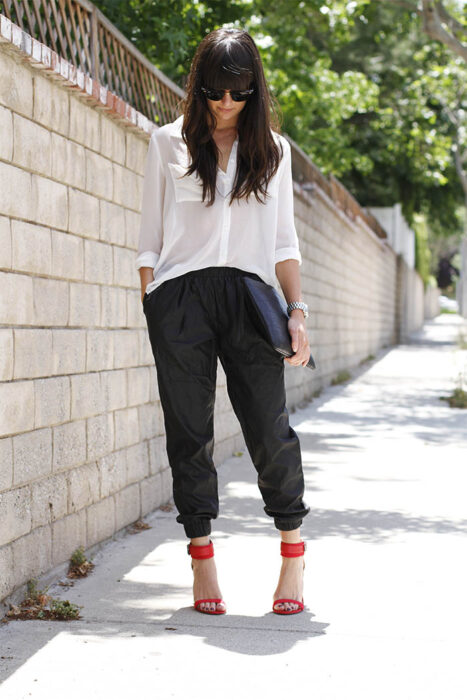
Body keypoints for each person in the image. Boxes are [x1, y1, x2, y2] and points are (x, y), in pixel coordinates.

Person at [136, 27, 311, 616]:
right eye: (216, 92)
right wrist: (154, 304)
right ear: (200, 87)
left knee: (269, 428)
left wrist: (297, 312)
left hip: (251, 298)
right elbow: (149, 243)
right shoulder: (168, 144)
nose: (227, 104)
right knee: (190, 431)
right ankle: (201, 558)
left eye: (239, 92)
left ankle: (293, 552)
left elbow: (284, 241)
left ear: (254, 90)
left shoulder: (275, 152)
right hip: (181, 299)